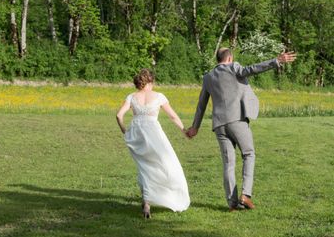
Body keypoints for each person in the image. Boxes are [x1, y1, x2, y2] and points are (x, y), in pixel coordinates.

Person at [185, 48, 296, 211]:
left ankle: (232, 203)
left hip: (219, 125)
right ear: (230, 58)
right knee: (248, 154)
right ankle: (246, 195)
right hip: (236, 119)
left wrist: (195, 127)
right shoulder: (234, 67)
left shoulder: (208, 77)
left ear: (218, 59)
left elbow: (201, 105)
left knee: (228, 163)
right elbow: (251, 70)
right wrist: (276, 61)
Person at [116, 69, 190, 218]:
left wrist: (125, 131)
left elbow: (119, 115)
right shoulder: (159, 96)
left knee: (144, 167)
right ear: (150, 82)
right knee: (166, 164)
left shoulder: (131, 97)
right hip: (153, 133)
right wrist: (184, 130)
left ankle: (147, 202)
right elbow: (173, 116)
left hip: (136, 134)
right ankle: (159, 197)